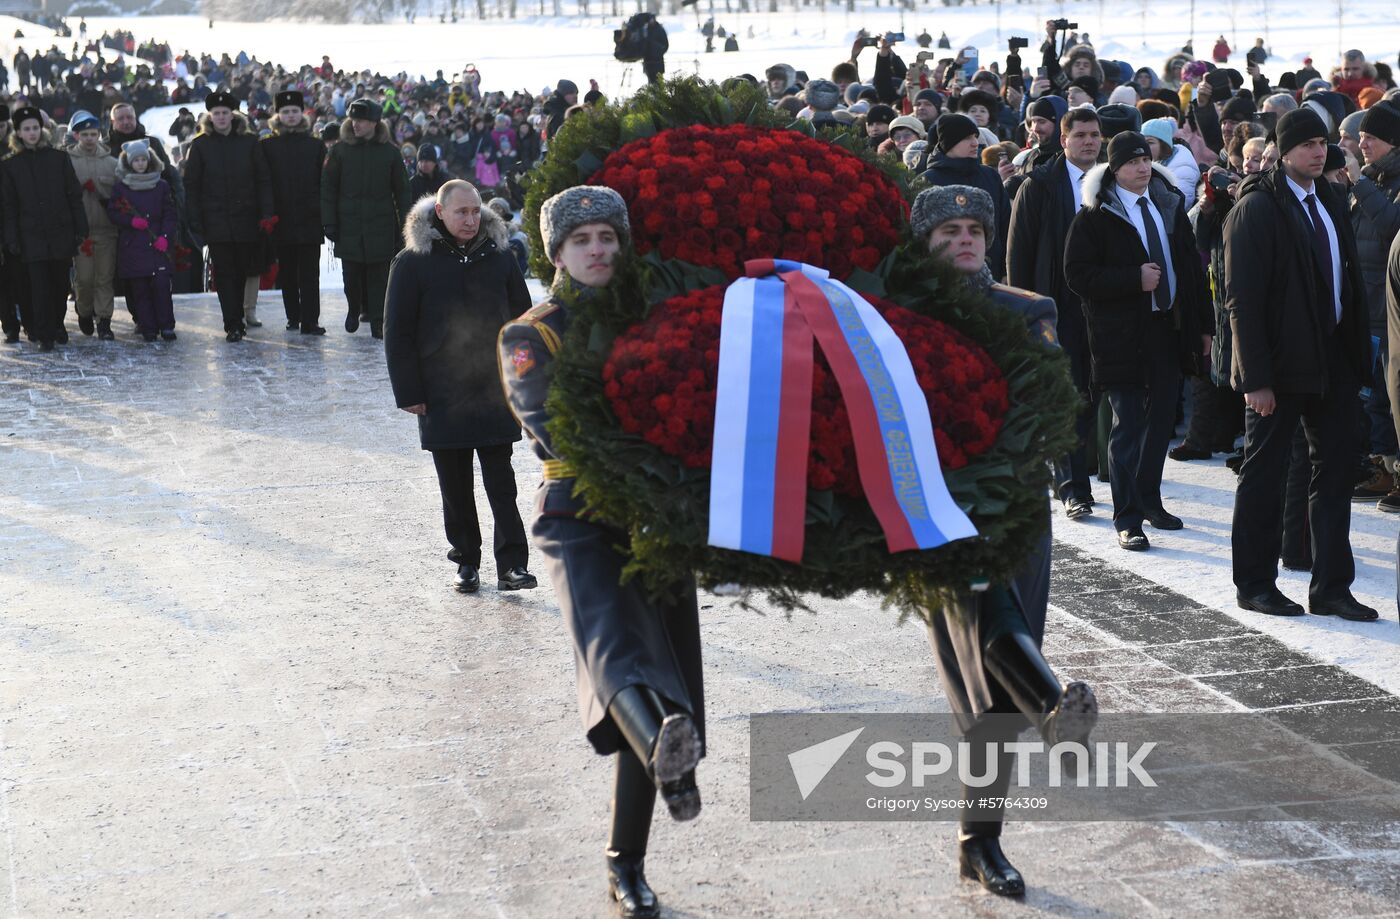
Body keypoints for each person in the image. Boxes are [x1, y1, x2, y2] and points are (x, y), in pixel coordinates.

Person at [498, 186, 704, 919]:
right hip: (579, 515)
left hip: (658, 520)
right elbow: (555, 425)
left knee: (666, 683)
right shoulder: (531, 333)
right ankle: (664, 755)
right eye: (581, 239)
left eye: (607, 237)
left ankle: (627, 859)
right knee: (617, 654)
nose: (597, 250)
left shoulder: (654, 318)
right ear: (557, 254)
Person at [910, 184, 1096, 898]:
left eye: (974, 229)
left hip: (1013, 503)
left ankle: (978, 840)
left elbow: (1050, 401)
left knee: (994, 688)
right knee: (988, 630)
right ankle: (1052, 703)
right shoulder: (894, 319)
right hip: (934, 510)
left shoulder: (1026, 310)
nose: (964, 239)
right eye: (949, 230)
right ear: (925, 243)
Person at [1224, 108, 1378, 620]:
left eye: (1322, 143)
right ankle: (1254, 584)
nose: (1319, 152)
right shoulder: (1257, 207)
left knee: (1335, 472)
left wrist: (1354, 358)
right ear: (1283, 150)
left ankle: (1331, 586)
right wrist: (1256, 378)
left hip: (1332, 360)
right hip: (1278, 364)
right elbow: (1241, 300)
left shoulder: (1329, 197)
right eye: (1307, 144)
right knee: (1264, 473)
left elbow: (1346, 281)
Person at [385, 180, 535, 594]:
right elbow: (398, 333)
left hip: (493, 388)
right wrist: (409, 392)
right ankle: (466, 561)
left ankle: (512, 565)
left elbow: (523, 324)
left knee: (502, 484)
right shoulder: (413, 262)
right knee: (455, 486)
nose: (470, 220)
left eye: (475, 211)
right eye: (461, 212)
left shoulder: (500, 257)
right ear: (440, 212)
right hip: (441, 391)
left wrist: (525, 379)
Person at [1064, 131, 1212, 551]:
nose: (1142, 168)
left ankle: (1150, 500)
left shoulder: (1168, 205)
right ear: (1114, 170)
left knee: (1161, 422)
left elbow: (1192, 271)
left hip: (1168, 329)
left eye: (1146, 159)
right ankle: (1127, 518)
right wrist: (1133, 279)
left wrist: (1203, 327)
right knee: (1127, 426)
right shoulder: (1094, 216)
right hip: (1119, 335)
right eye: (1132, 162)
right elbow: (1077, 275)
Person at [1008, 107, 1103, 521]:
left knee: (1095, 397)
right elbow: (1019, 255)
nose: (1089, 141)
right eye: (1080, 135)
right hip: (1055, 308)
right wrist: (1025, 313)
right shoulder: (1039, 185)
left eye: (1095, 134)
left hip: (1103, 309)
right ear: (1063, 140)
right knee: (1067, 398)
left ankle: (1085, 475)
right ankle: (1072, 488)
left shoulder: (1112, 181)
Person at [183, 90, 273, 342]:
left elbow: (262, 179)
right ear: (210, 116)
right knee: (224, 274)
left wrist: (266, 213)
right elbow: (192, 185)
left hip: (246, 219)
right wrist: (195, 219)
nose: (221, 117)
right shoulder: (200, 145)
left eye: (225, 113)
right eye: (217, 113)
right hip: (216, 221)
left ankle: (239, 316)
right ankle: (232, 323)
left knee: (242, 271)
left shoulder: (249, 142)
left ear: (233, 115)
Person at [322, 97, 410, 339]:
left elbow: (402, 191)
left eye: (361, 120)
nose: (355, 124)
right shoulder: (339, 151)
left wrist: (406, 224)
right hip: (349, 224)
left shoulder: (390, 153)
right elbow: (328, 188)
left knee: (379, 276)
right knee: (351, 275)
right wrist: (329, 221)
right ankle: (354, 308)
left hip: (380, 224)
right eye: (353, 119)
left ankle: (378, 320)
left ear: (374, 123)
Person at [1, 106, 87, 352]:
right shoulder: (10, 165)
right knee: (38, 287)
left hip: (60, 231)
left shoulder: (58, 158)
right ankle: (44, 333)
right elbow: (9, 205)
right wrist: (11, 238)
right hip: (30, 236)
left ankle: (57, 323)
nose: (32, 133)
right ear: (18, 133)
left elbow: (73, 195)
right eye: (26, 129)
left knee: (60, 285)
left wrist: (80, 226)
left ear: (42, 129)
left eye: (35, 128)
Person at [260, 90, 326, 335]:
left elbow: (323, 182)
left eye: (294, 111)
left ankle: (311, 320)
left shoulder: (315, 145)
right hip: (281, 219)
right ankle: (293, 316)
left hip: (310, 218)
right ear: (278, 115)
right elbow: (264, 182)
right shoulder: (267, 146)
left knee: (310, 273)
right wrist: (268, 214)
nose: (290, 115)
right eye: (285, 111)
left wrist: (320, 211)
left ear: (302, 114)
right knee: (287, 272)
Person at [922, 113, 1010, 279]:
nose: (975, 143)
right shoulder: (927, 181)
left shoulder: (990, 176)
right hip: (944, 279)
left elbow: (1006, 225)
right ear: (949, 142)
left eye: (975, 137)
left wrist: (1007, 272)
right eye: (967, 138)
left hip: (993, 275)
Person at [107, 139, 178, 341]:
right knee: (141, 290)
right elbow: (113, 213)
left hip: (157, 246)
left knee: (162, 287)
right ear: (129, 163)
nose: (140, 163)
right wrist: (130, 221)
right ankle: (148, 327)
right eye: (136, 160)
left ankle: (166, 325)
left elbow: (170, 214)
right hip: (134, 246)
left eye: (143, 159)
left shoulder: (161, 185)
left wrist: (165, 236)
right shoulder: (121, 188)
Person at [65, 108, 118, 341]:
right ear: (77, 135)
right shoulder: (67, 162)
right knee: (84, 279)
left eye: (93, 134)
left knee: (104, 278)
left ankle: (104, 321)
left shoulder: (112, 163)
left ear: (99, 135)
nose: (89, 139)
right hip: (81, 233)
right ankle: (84, 310)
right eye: (84, 135)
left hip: (106, 230)